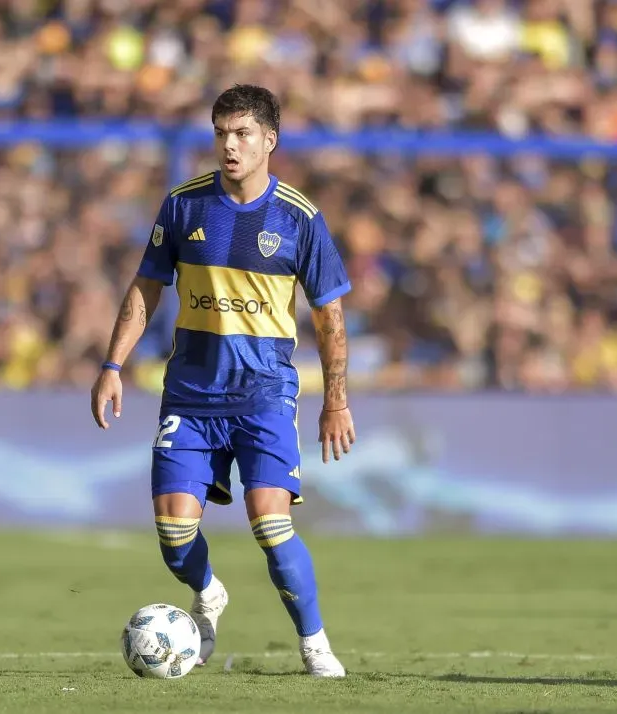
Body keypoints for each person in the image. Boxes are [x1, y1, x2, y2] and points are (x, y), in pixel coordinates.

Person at [91, 84, 355, 678]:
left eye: (241, 134)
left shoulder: (299, 218)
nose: (229, 146)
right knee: (174, 532)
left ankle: (315, 643)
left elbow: (330, 316)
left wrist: (335, 402)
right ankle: (208, 590)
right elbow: (146, 288)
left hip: (263, 393)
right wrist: (112, 366)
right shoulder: (183, 206)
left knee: (270, 520)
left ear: (269, 141)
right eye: (220, 133)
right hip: (190, 392)